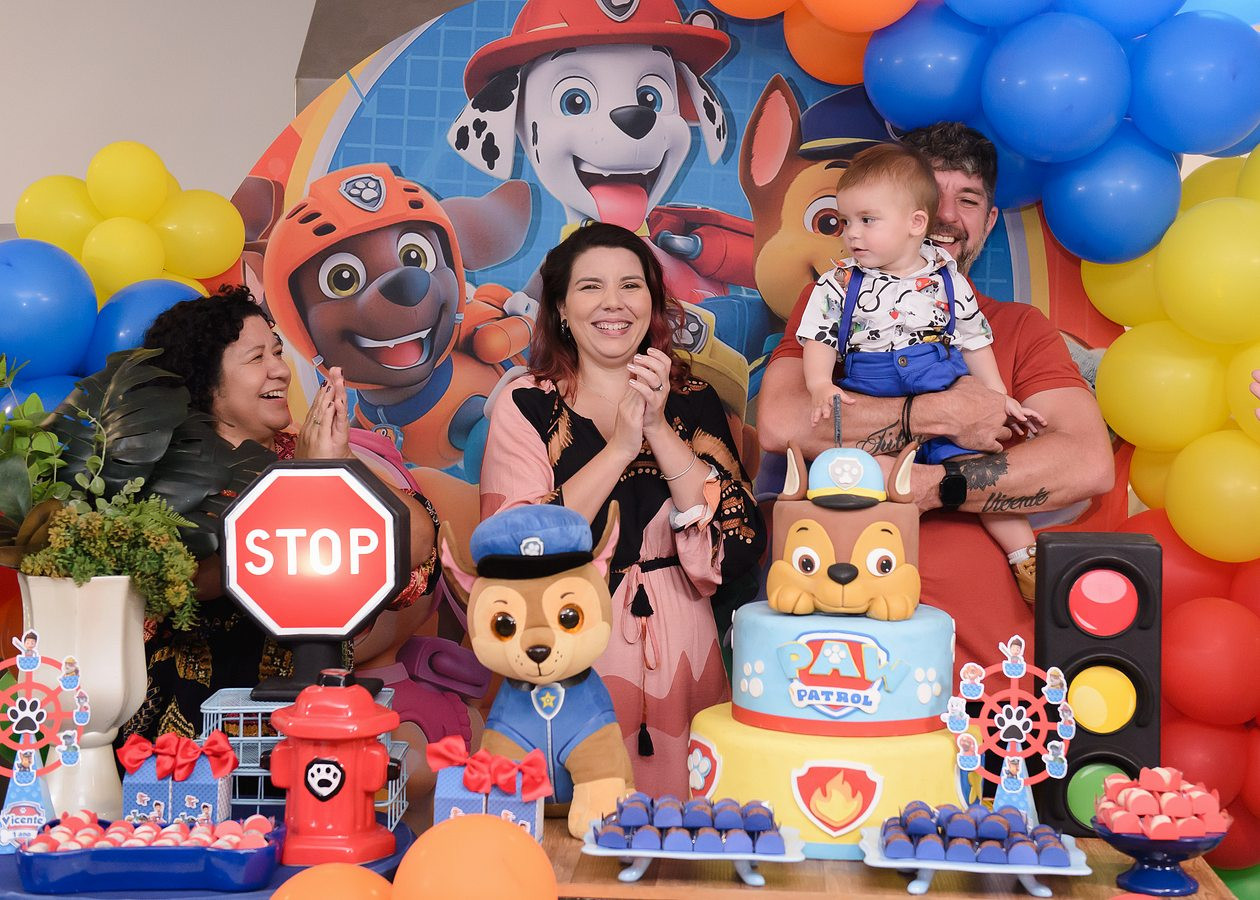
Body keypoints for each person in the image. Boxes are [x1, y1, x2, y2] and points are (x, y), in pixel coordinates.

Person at [758, 122, 1113, 672]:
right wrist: (936, 414)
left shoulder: (1019, 327)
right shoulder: (838, 297)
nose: (944, 214)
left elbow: (1087, 463)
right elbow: (782, 423)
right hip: (839, 650)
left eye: (967, 199)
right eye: (931, 189)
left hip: (985, 671)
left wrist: (933, 486)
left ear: (989, 222)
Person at [479, 222, 766, 797]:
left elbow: (738, 544)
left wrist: (657, 428)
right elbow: (515, 549)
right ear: (561, 309)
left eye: (630, 286)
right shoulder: (525, 402)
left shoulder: (693, 400)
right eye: (591, 287)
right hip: (569, 637)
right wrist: (618, 449)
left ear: (653, 304)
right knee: (576, 811)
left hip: (683, 642)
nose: (613, 302)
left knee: (683, 819)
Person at [121, 286, 441, 740]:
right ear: (204, 382)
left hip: (318, 719)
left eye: (277, 351)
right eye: (257, 358)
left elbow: (419, 545)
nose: (280, 370)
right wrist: (302, 491)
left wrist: (337, 464)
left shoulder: (308, 452)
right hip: (198, 730)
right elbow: (195, 580)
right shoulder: (167, 473)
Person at [798, 143, 1045, 603]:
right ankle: (863, 574)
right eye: (845, 221)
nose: (852, 234)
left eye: (867, 220)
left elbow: (974, 341)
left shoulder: (949, 280)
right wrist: (819, 384)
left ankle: (1025, 557)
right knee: (867, 479)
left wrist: (998, 397)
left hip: (940, 382)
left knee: (982, 474)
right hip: (872, 389)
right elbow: (820, 338)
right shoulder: (838, 283)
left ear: (915, 223)